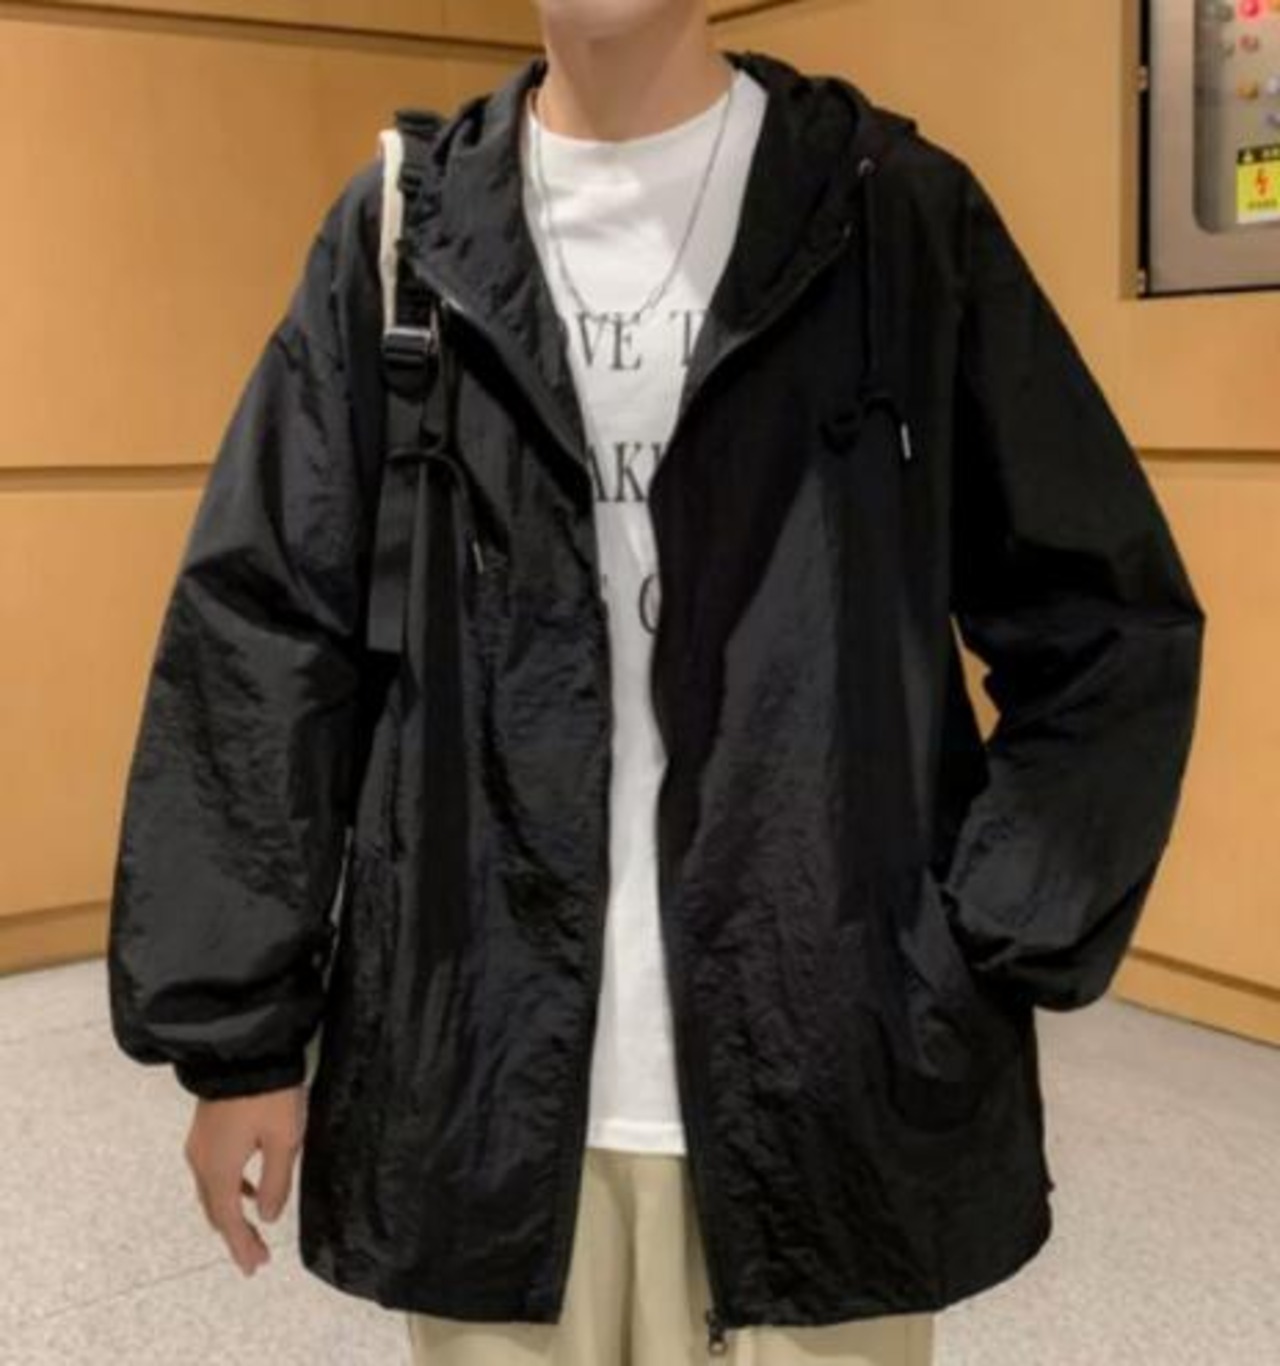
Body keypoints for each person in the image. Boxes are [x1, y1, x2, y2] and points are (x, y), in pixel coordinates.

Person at [105, 2, 1206, 1365]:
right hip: (487, 1081)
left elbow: (1106, 615)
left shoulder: (891, 215)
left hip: (823, 1077)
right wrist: (240, 1040)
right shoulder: (406, 233)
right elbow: (262, 636)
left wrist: (984, 935)